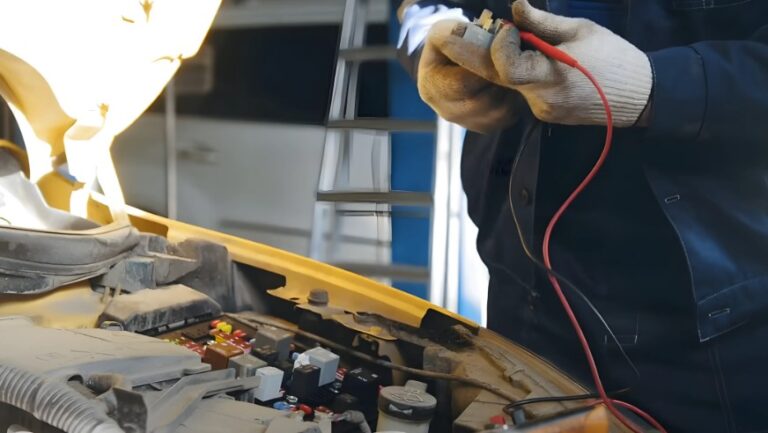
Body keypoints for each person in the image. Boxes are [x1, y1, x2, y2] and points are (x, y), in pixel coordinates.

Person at [396, 1, 768, 432]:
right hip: (519, 289)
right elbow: (419, 7)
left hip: (710, 331)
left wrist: (656, 88)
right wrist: (435, 42)